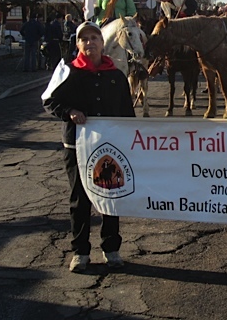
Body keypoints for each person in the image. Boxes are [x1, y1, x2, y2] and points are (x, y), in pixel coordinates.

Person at [42, 21, 135, 272]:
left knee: (111, 196)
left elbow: (127, 111)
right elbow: (49, 101)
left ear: (102, 43)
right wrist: (69, 111)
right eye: (85, 39)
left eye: (95, 38)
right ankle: (80, 252)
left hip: (110, 147)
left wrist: (132, 140)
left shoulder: (116, 75)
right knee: (79, 199)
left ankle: (111, 248)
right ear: (78, 44)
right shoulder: (67, 72)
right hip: (76, 147)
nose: (90, 42)